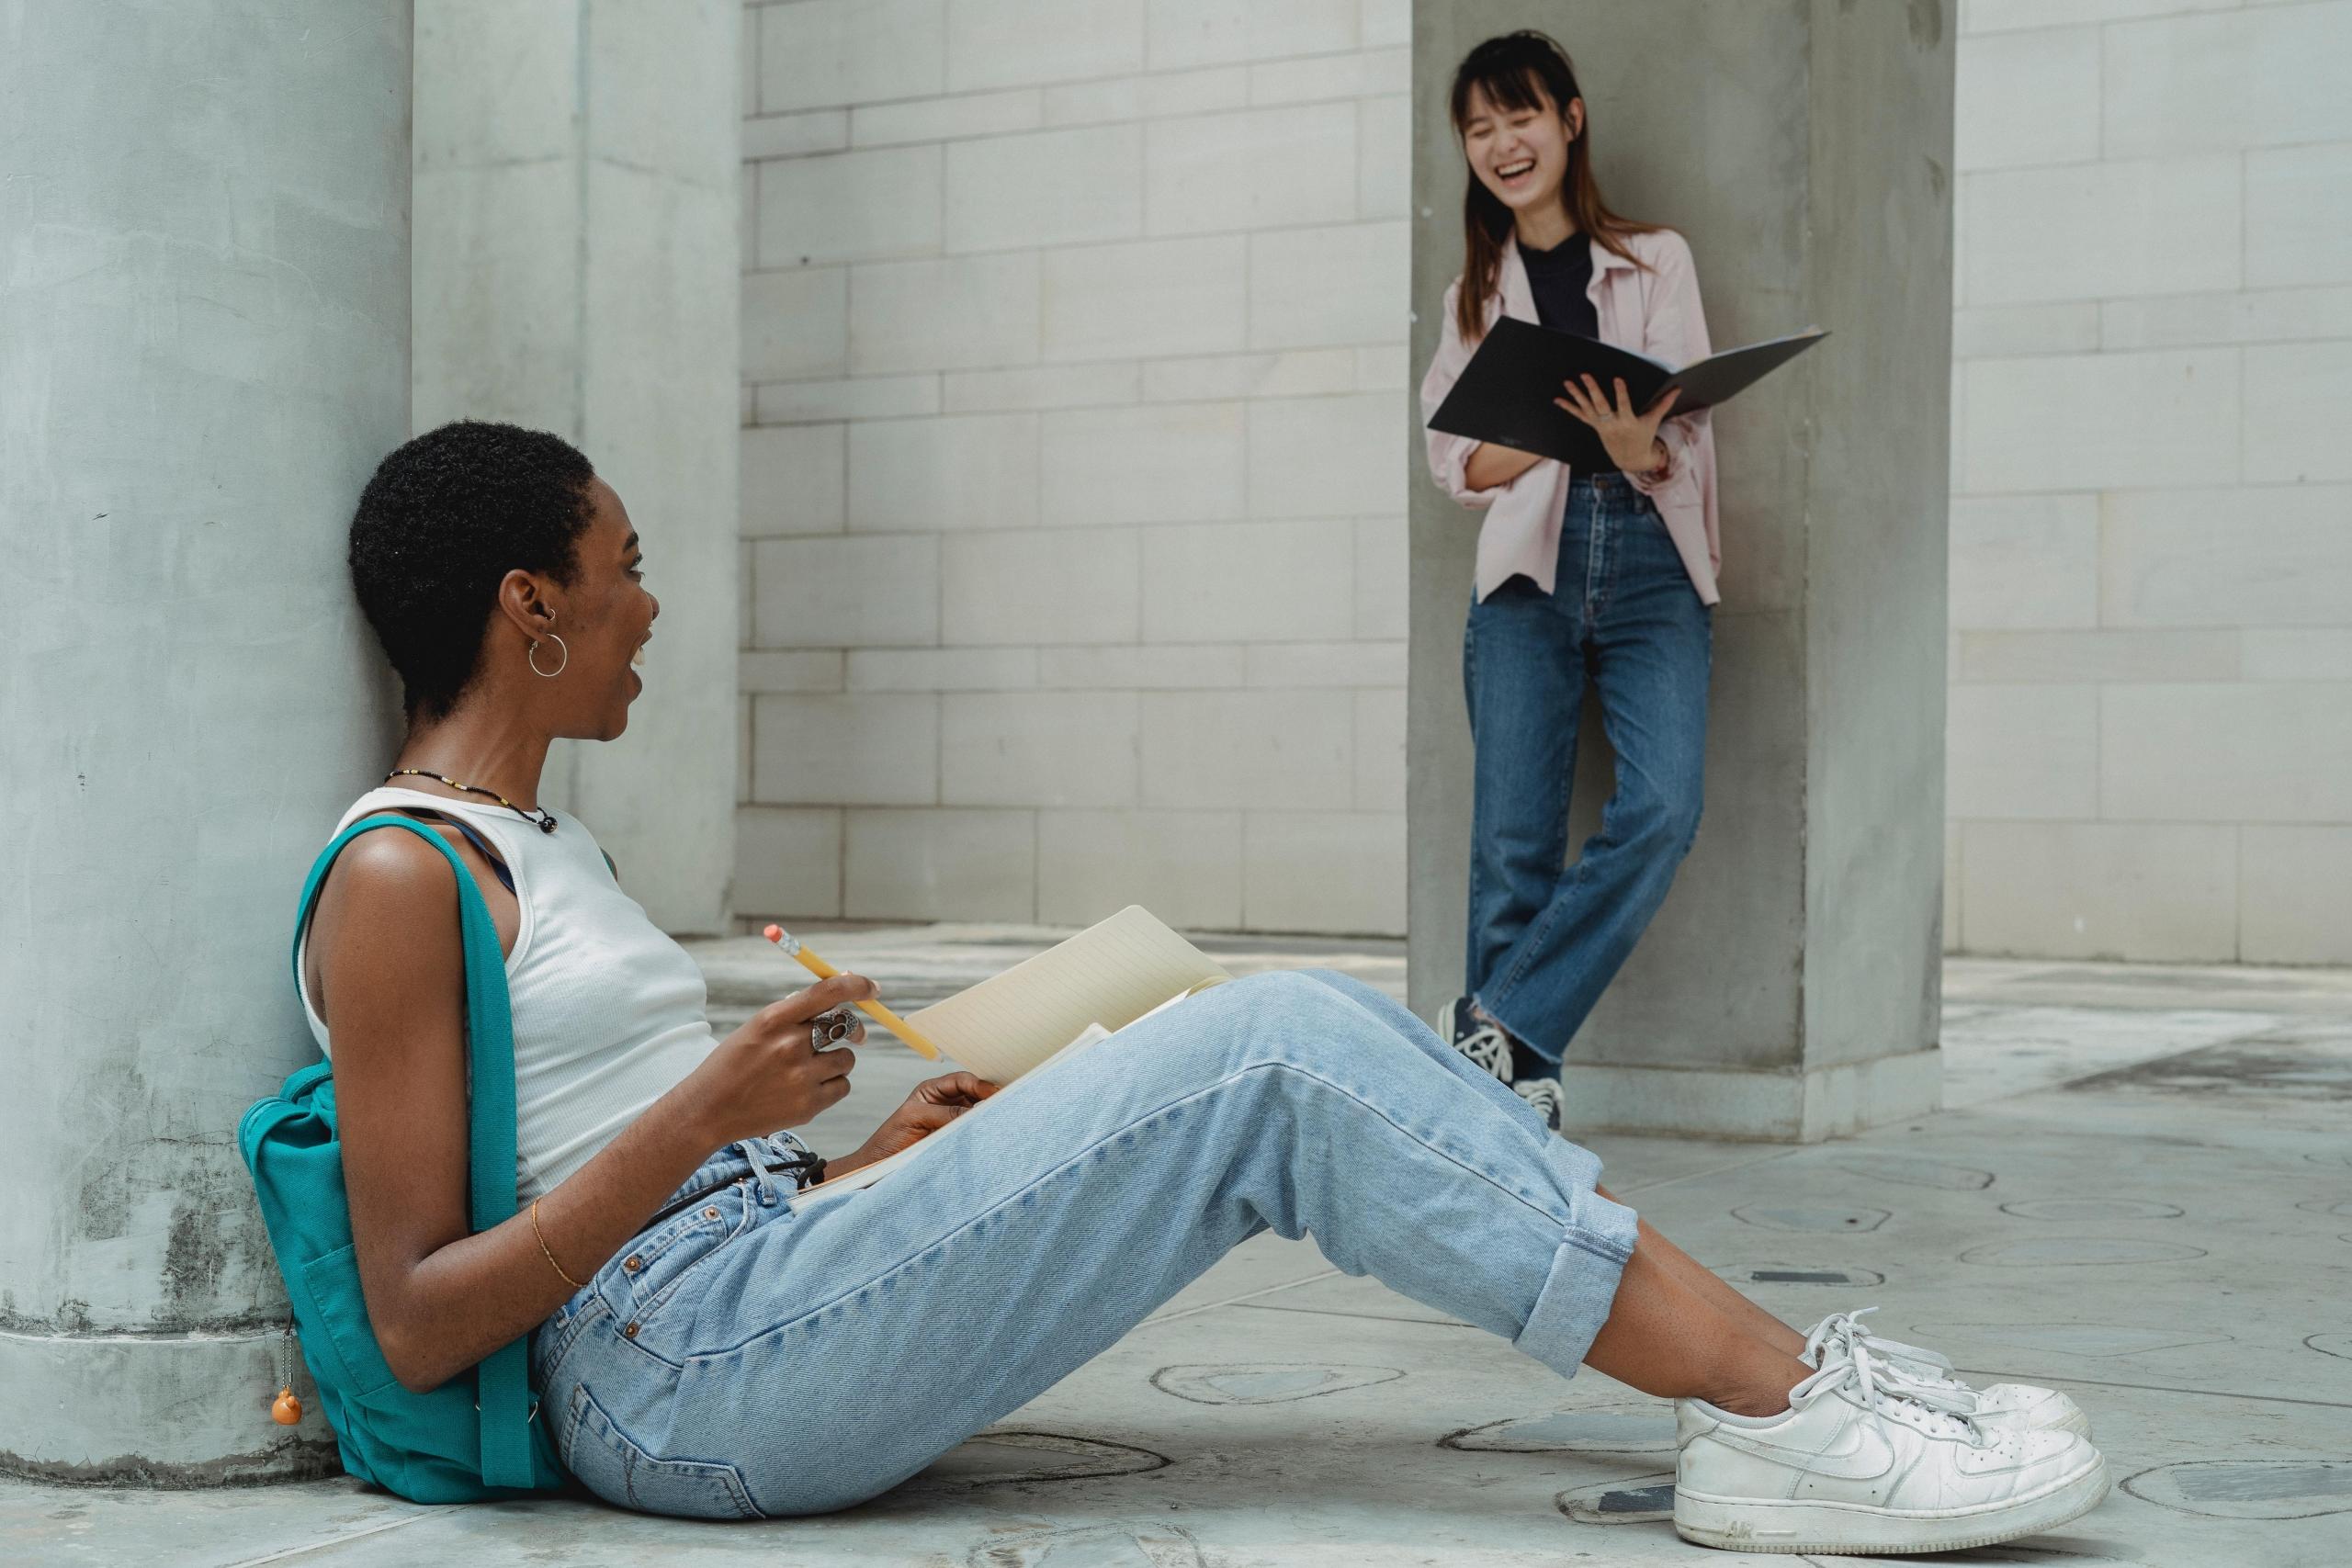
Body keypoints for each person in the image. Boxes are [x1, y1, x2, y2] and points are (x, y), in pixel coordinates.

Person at [299, 420, 2106, 1552]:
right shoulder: (397, 875)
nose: (651, 608)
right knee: (1275, 1052)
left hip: (741, 1280)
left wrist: (859, 1162)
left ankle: (1781, 1388)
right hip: (673, 1380)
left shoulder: (544, 848)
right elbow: (421, 1316)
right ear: (528, 606)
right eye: (625, 574)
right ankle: (1778, 1407)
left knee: (1238, 1037)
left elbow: (610, 1164)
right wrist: (716, 1104)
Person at [1419, 33, 1722, 1130]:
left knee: (1661, 808)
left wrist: (1626, 446)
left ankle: (1495, 1021)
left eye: (1521, 118)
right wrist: (1568, 433)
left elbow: (1673, 433)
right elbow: (1454, 462)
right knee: (1512, 845)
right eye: (1480, 127)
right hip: (1523, 578)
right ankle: (1516, 1097)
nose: (1503, 144)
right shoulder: (1473, 299)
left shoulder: (1656, 262)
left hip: (1647, 564)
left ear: (1571, 120)